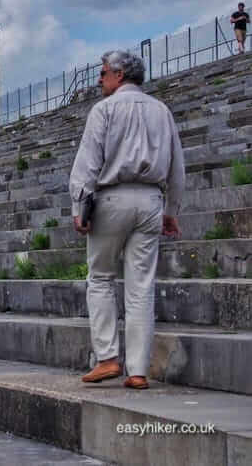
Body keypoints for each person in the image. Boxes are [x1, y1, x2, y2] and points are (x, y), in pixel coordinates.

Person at [69, 50, 184, 390]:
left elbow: (88, 163)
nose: (100, 78)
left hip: (111, 198)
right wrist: (171, 211)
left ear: (119, 75)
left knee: (101, 277)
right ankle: (137, 370)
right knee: (141, 287)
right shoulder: (161, 110)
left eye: (103, 72)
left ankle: (107, 357)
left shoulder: (104, 110)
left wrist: (80, 207)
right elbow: (178, 166)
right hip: (150, 199)